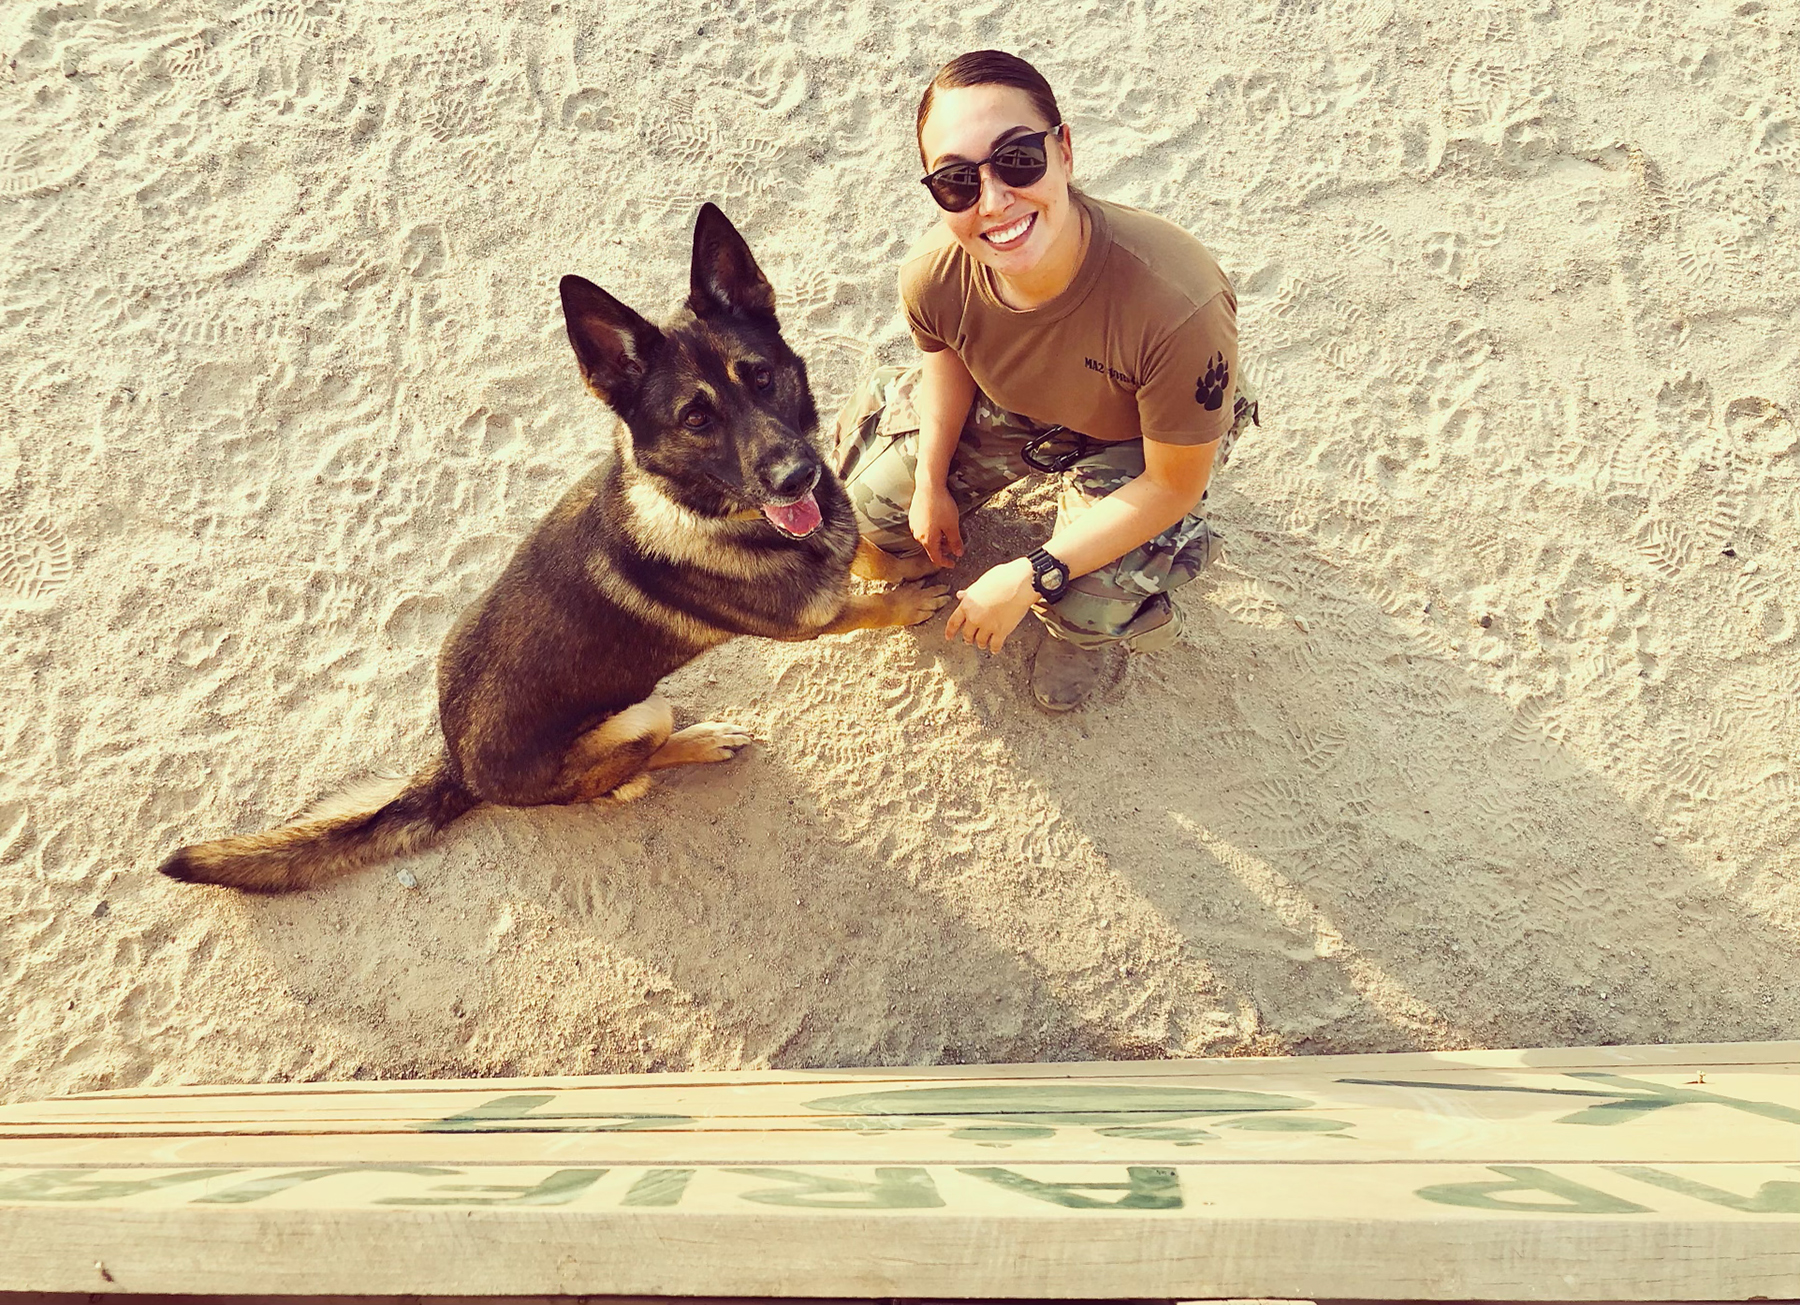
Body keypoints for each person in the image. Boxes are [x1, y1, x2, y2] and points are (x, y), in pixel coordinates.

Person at [834, 49, 1257, 712]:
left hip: (1141, 437)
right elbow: (945, 359)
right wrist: (930, 482)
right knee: (866, 523)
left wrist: (1034, 571)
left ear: (1064, 150)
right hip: (1016, 403)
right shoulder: (933, 275)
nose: (994, 201)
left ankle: (1092, 629)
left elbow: (1173, 482)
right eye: (956, 181)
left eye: (1018, 159)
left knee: (1083, 594)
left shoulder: (1178, 303)